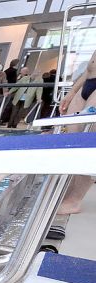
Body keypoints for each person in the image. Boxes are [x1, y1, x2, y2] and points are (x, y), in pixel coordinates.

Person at [55, 50, 96, 214]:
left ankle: (74, 200)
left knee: (87, 143)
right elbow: (89, 68)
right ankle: (67, 192)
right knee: (72, 142)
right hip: (87, 85)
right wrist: (71, 92)